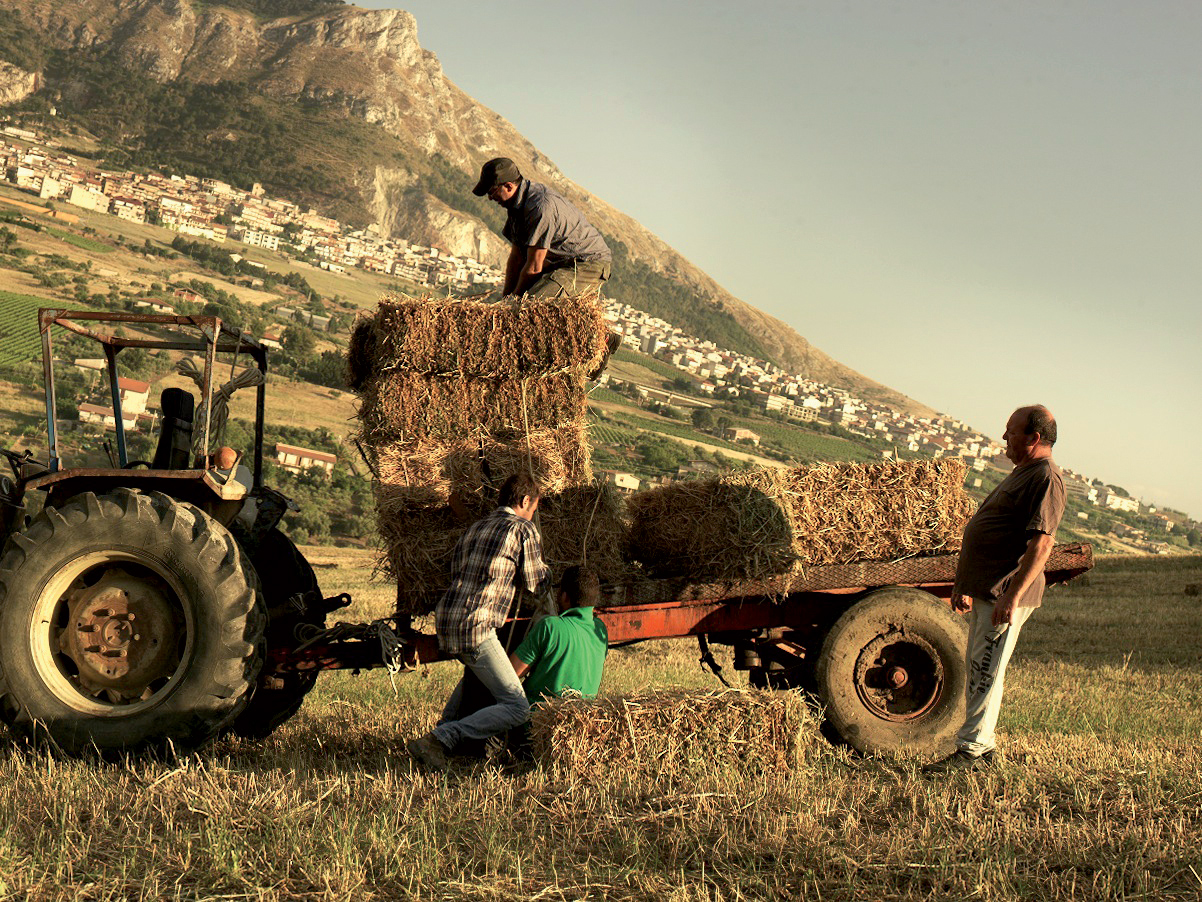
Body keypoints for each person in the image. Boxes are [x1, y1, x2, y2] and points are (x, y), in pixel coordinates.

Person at [925, 405, 1066, 773]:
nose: (1004, 437)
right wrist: (965, 583)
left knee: (986, 668)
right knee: (983, 667)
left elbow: (1041, 545)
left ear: (1034, 438)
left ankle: (970, 751)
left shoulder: (1046, 478)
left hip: (1005, 594)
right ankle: (982, 748)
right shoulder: (1024, 473)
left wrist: (1011, 595)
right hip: (988, 591)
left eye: (1011, 431)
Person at [406, 473, 551, 771]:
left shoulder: (475, 527)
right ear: (525, 501)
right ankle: (440, 738)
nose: (533, 514)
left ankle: (439, 740)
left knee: (476, 674)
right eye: (534, 508)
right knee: (516, 707)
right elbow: (536, 583)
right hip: (477, 623)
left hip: (448, 618)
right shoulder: (523, 529)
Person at [472, 157, 612, 299]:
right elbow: (516, 258)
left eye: (491, 192)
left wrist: (514, 303)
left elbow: (534, 266)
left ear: (508, 186)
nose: (490, 198)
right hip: (559, 264)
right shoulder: (515, 207)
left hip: (588, 263)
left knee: (532, 303)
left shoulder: (540, 207)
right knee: (520, 300)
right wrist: (506, 299)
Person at [510, 564, 609, 705]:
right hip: (582, 719)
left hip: (536, 720)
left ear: (564, 596)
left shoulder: (550, 627)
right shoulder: (600, 629)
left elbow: (509, 676)